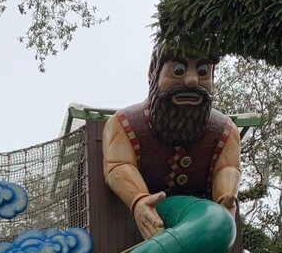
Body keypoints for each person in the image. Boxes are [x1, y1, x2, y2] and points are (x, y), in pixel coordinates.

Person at [102, 42, 241, 239]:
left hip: (200, 238)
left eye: (203, 71)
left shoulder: (225, 131)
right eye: (178, 70)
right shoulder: (123, 124)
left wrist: (225, 197)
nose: (192, 81)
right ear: (153, 70)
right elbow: (118, 165)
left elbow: (227, 168)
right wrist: (139, 200)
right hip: (130, 237)